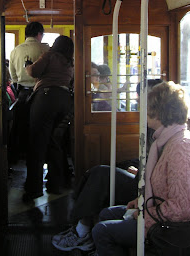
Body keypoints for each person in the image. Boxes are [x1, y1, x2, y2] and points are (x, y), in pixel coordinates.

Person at [90, 81, 190, 256]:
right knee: (107, 213)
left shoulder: (182, 147)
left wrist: (147, 214)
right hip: (162, 214)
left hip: (177, 229)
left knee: (101, 231)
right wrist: (141, 203)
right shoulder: (166, 140)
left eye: (148, 108)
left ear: (160, 113)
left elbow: (183, 209)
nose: (143, 112)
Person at [52, 79, 162, 252]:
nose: (138, 102)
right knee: (95, 172)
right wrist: (140, 168)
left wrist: (142, 172)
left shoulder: (159, 129)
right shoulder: (152, 125)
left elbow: (159, 170)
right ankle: (79, 225)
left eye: (141, 99)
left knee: (101, 174)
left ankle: (82, 232)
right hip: (142, 178)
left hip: (146, 188)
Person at [24, 35, 74, 200]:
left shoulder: (49, 56)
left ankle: (34, 189)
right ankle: (56, 184)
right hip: (65, 100)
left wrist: (28, 65)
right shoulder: (70, 62)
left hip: (46, 99)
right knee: (54, 143)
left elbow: (34, 72)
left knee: (37, 143)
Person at [9, 21, 49, 157]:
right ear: (39, 34)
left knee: (22, 125)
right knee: (42, 127)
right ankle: (41, 154)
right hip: (43, 93)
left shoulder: (15, 51)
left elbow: (13, 75)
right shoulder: (46, 50)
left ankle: (22, 154)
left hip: (23, 94)